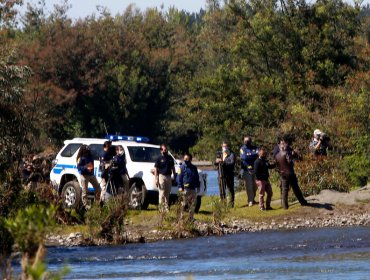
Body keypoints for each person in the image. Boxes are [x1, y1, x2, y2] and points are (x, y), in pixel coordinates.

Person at [275, 138, 309, 209]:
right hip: (290, 173)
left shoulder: (277, 155)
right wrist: (293, 154)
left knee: (284, 190)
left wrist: (280, 171)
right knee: (296, 188)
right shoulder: (286, 153)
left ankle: (285, 206)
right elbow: (290, 162)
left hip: (282, 174)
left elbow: (277, 166)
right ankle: (302, 202)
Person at [76, 144, 101, 209]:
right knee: (85, 191)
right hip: (84, 176)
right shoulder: (80, 158)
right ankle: (86, 205)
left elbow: (92, 164)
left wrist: (91, 169)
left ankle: (97, 203)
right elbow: (79, 167)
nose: (88, 150)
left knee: (98, 188)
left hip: (91, 175)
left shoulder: (90, 156)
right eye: (87, 149)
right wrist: (86, 167)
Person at [177, 153, 200, 221]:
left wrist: (198, 186)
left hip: (192, 189)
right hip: (184, 189)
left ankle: (191, 217)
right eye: (185, 159)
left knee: (192, 204)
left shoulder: (194, 168)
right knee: (183, 204)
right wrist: (180, 186)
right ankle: (181, 218)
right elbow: (179, 178)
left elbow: (197, 178)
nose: (185, 160)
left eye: (187, 159)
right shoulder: (181, 167)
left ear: (190, 159)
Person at [154, 144, 176, 212]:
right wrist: (156, 178)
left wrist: (174, 176)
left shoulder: (170, 158)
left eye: (166, 149)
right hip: (161, 176)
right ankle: (161, 207)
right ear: (161, 150)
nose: (165, 150)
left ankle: (166, 208)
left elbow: (173, 168)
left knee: (167, 193)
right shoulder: (159, 158)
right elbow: (155, 169)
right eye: (163, 149)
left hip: (168, 176)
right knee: (162, 192)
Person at [240, 136, 259, 207]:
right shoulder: (242, 148)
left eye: (247, 141)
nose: (246, 142)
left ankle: (253, 198)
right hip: (246, 170)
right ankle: (250, 201)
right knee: (249, 186)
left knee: (255, 186)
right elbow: (244, 157)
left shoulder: (255, 148)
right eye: (245, 141)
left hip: (255, 169)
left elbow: (258, 154)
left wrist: (249, 155)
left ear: (250, 141)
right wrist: (252, 155)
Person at [215, 141, 235, 208]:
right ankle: (223, 203)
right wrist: (217, 162)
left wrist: (223, 162)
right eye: (224, 146)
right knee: (222, 189)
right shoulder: (219, 153)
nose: (225, 148)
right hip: (221, 174)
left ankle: (231, 204)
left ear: (228, 146)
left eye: (226, 146)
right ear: (221, 146)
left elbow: (232, 163)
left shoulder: (232, 154)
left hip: (229, 174)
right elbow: (216, 164)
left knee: (230, 189)